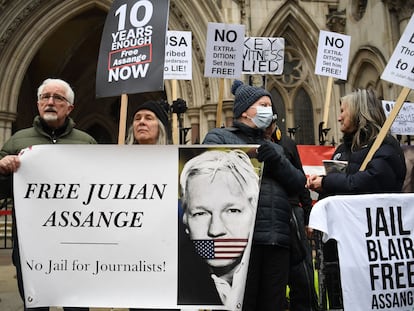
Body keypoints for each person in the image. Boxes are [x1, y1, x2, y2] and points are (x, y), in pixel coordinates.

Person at [203, 79, 306, 311]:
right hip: (239, 242)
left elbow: (298, 183)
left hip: (276, 238)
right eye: (262, 104)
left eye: (269, 106)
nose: (268, 110)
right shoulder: (219, 138)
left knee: (273, 303)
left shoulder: (277, 148)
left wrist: (277, 159)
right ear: (244, 111)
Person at [0, 78, 96, 311]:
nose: (50, 102)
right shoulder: (17, 141)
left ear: (70, 107)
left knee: (77, 305)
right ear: (38, 103)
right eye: (45, 97)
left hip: (76, 243)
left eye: (58, 98)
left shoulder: (87, 143)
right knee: (35, 305)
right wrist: (2, 169)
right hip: (31, 244)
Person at [306, 88, 407, 309]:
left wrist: (326, 182)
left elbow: (366, 183)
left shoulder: (385, 146)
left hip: (370, 247)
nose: (339, 116)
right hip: (340, 247)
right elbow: (337, 189)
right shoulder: (342, 149)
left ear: (360, 111)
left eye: (343, 110)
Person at [179, 149, 260, 309]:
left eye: (232, 210)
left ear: (254, 212)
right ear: (185, 220)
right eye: (201, 213)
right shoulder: (177, 283)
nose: (215, 230)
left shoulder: (267, 277)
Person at [125, 100, 175, 311]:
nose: (141, 123)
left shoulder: (175, 161)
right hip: (133, 253)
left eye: (148, 118)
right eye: (137, 119)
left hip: (167, 253)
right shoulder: (117, 163)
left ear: (160, 127)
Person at [265, 122, 319, 311]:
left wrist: (307, 216)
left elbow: (300, 180)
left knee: (301, 269)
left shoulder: (287, 144)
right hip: (268, 213)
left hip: (291, 209)